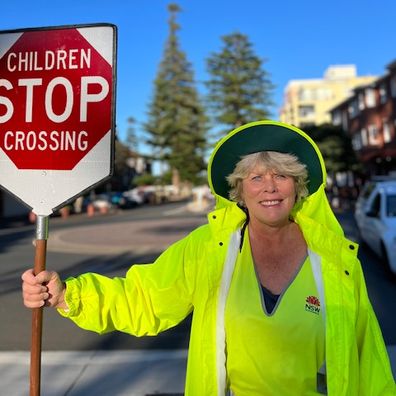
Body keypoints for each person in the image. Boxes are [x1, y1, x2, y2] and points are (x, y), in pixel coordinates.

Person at [22, 120, 395, 395]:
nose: (269, 187)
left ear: (298, 187)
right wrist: (67, 293)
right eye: (255, 178)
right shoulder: (209, 248)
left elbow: (369, 357)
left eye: (282, 175)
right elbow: (145, 298)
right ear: (238, 191)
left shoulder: (335, 259)